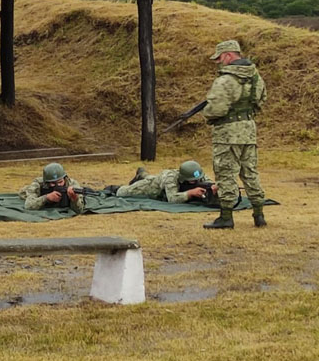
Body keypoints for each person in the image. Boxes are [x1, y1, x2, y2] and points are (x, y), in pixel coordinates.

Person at [201, 40, 267, 229]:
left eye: (220, 57)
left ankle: (226, 217)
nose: (219, 62)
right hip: (249, 130)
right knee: (250, 172)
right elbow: (262, 99)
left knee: (225, 173)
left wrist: (208, 116)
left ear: (229, 55)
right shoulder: (256, 77)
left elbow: (215, 108)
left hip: (227, 133)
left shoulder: (225, 80)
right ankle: (259, 214)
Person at [106, 160, 218, 204]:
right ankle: (140, 177)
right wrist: (190, 193)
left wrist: (213, 187)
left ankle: (142, 174)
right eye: (192, 181)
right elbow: (172, 199)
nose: (196, 182)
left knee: (149, 177)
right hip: (152, 187)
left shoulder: (196, 173)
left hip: (159, 180)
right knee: (122, 192)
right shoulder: (171, 178)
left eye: (197, 180)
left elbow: (207, 182)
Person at [19, 162, 86, 213]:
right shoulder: (38, 184)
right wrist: (46, 198)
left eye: (60, 182)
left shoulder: (72, 184)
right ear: (46, 182)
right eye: (53, 183)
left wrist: (74, 199)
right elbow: (28, 205)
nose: (58, 185)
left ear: (65, 178)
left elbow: (79, 210)